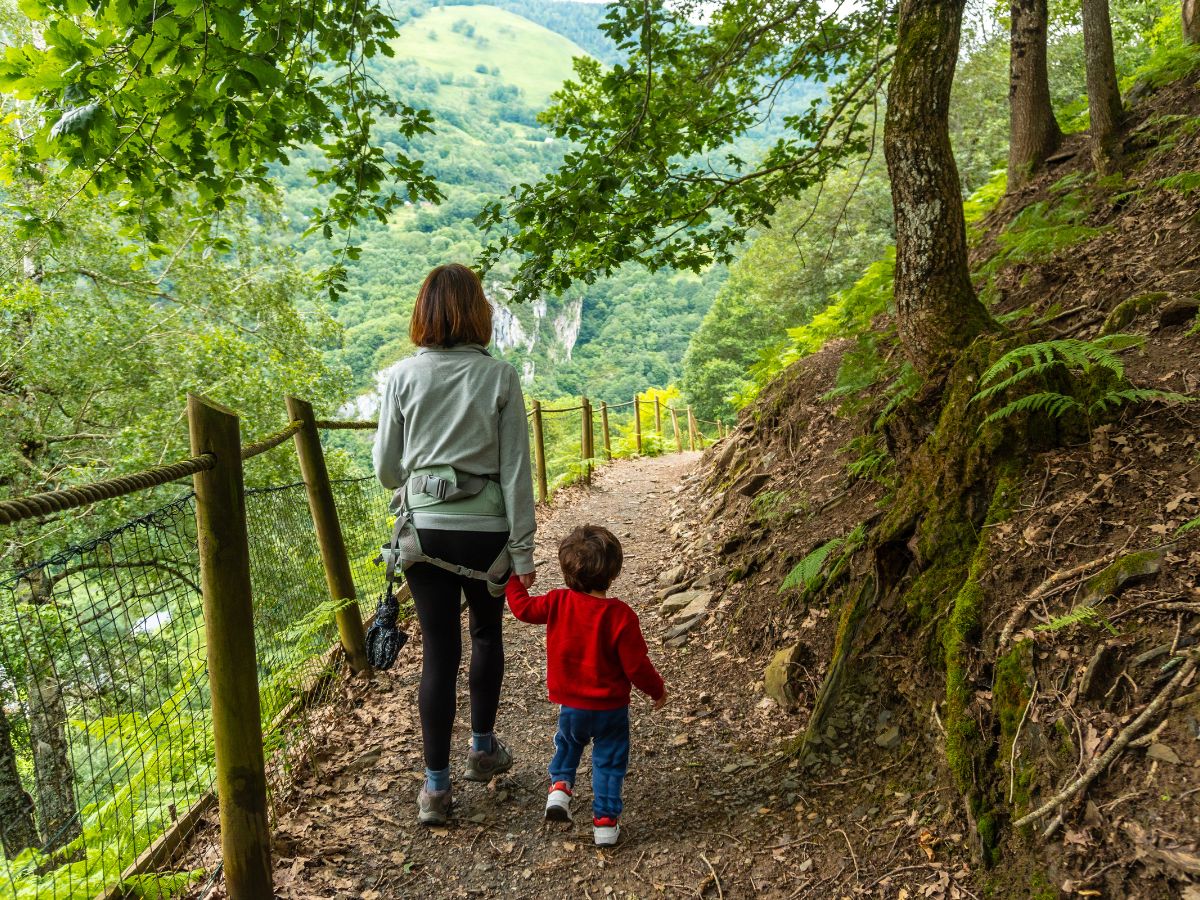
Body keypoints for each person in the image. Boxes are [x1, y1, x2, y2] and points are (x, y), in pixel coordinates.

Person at [372, 263, 537, 826]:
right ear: (478, 313)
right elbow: (516, 471)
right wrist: (523, 551)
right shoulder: (500, 378)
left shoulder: (399, 378)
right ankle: (483, 750)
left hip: (424, 532)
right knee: (486, 635)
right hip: (487, 533)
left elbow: (387, 472)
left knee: (440, 653)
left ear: (423, 312)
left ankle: (435, 790)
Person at [506, 524, 667, 846]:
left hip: (572, 706)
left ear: (567, 570)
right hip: (611, 711)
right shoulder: (621, 616)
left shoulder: (557, 603)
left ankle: (559, 790)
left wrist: (514, 578)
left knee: (567, 744)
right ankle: (605, 823)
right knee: (609, 763)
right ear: (614, 572)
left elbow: (522, 609)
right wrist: (657, 690)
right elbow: (636, 666)